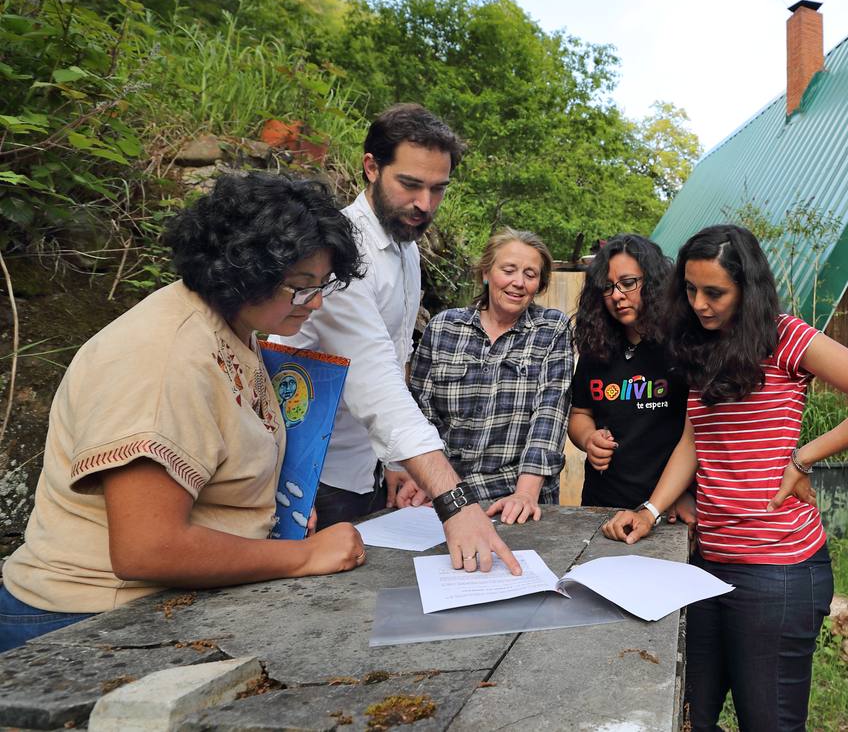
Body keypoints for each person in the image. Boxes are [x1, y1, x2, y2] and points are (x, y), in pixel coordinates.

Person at [0, 173, 368, 653]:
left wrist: (272, 513)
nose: (314, 303)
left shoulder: (235, 328)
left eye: (321, 286)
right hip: (86, 621)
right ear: (245, 271)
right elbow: (148, 548)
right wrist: (300, 556)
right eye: (300, 287)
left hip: (162, 605)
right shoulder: (163, 358)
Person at [602, 224, 848, 731]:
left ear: (747, 290)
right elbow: (693, 439)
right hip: (708, 559)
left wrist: (803, 459)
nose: (700, 304)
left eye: (715, 293)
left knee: (766, 723)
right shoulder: (700, 345)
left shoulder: (785, 337)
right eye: (690, 289)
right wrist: (651, 510)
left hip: (778, 570)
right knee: (688, 717)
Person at [274, 104, 520, 575]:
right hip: (311, 472)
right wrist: (456, 501)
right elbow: (375, 382)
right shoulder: (338, 253)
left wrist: (396, 462)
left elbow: (397, 358)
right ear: (371, 166)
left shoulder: (406, 248)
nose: (425, 204)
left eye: (438, 189)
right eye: (410, 184)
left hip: (365, 465)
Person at [409, 229, 572, 522]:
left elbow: (550, 414)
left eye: (530, 274)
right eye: (508, 270)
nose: (518, 282)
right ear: (486, 273)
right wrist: (431, 481)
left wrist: (524, 494)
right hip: (446, 490)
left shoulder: (552, 329)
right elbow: (420, 412)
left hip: (515, 495)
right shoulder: (444, 328)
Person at [567, 235, 691, 514]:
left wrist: (680, 493)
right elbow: (580, 414)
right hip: (601, 507)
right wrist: (589, 439)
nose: (616, 295)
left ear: (653, 282)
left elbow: (698, 435)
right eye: (607, 287)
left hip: (668, 507)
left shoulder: (682, 347)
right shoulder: (596, 348)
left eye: (627, 283)